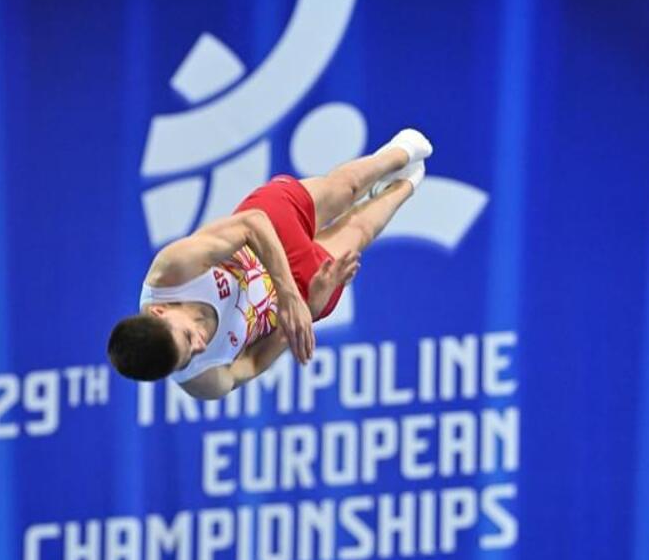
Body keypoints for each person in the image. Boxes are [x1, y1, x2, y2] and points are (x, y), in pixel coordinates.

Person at [108, 129, 433, 400]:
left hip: (269, 232)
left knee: (344, 190)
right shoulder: (201, 381)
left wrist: (289, 294)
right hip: (293, 296)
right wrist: (306, 306)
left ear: (160, 311)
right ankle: (404, 186)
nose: (201, 344)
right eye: (190, 355)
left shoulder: (171, 272)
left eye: (188, 337)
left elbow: (253, 223)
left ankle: (397, 152)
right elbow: (251, 363)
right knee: (360, 232)